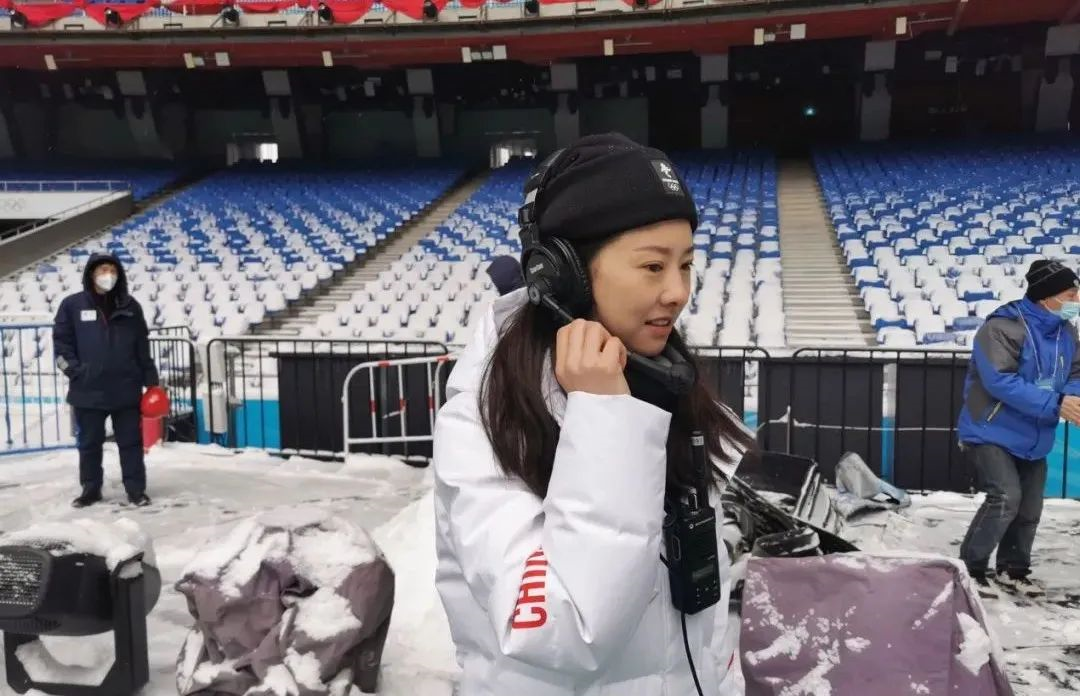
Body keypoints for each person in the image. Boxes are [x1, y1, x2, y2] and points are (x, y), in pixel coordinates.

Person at [432, 133, 753, 695]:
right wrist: (606, 418)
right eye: (652, 266)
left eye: (686, 264)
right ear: (564, 274)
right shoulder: (484, 419)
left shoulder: (664, 386)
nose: (678, 292)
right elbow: (563, 631)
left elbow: (701, 636)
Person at [957, 258, 1080, 595]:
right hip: (991, 429)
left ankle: (1013, 568)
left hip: (1035, 432)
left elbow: (1075, 371)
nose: (1076, 301)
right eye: (1070, 295)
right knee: (1005, 498)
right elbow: (999, 380)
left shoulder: (1067, 330)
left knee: (1029, 508)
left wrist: (1071, 397)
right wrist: (1057, 403)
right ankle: (970, 568)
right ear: (1046, 296)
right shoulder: (1001, 328)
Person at [53, 253, 159, 508]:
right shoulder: (72, 305)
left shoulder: (130, 306)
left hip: (126, 388)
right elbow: (61, 346)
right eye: (102, 269)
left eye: (112, 270)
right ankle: (90, 490)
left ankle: (136, 490)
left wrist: (151, 380)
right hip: (88, 391)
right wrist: (76, 372)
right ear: (91, 274)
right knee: (89, 444)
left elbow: (142, 346)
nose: (107, 274)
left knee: (131, 444)